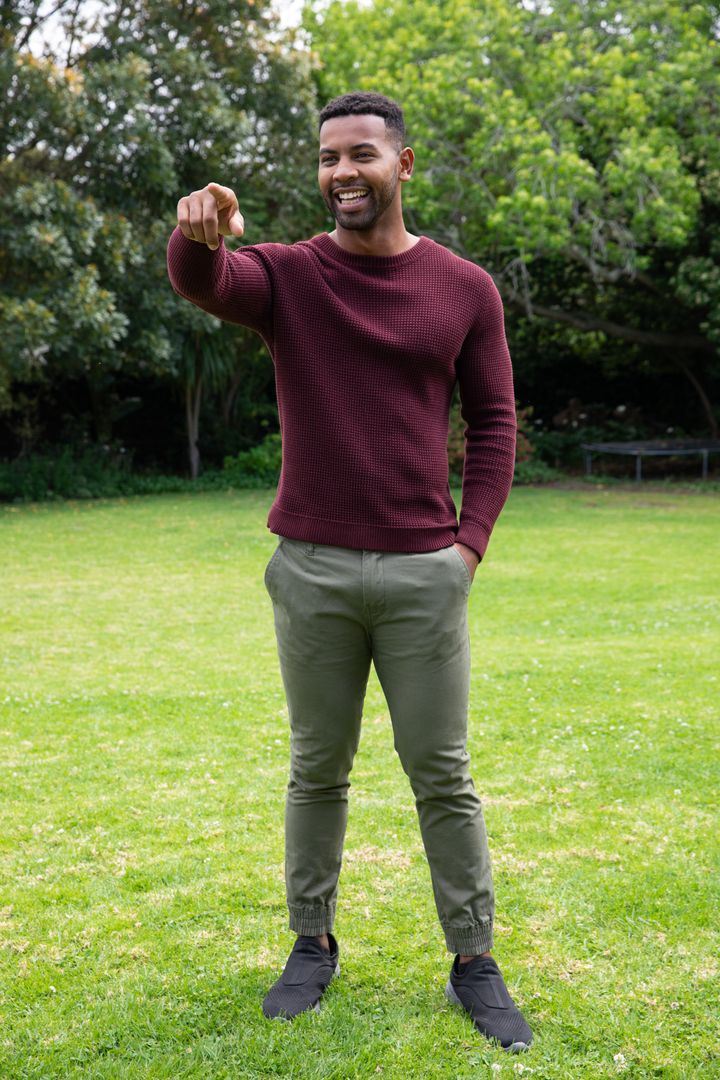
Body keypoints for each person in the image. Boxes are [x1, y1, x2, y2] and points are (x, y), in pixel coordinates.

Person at [167, 91, 532, 1052]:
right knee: (316, 770)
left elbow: (494, 425)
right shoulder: (289, 276)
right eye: (328, 158)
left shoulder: (466, 290)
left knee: (443, 776)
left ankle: (474, 961)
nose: (341, 174)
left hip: (424, 572)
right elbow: (206, 284)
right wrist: (197, 231)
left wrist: (467, 547)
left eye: (361, 155)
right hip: (312, 571)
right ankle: (311, 943)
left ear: (402, 165)